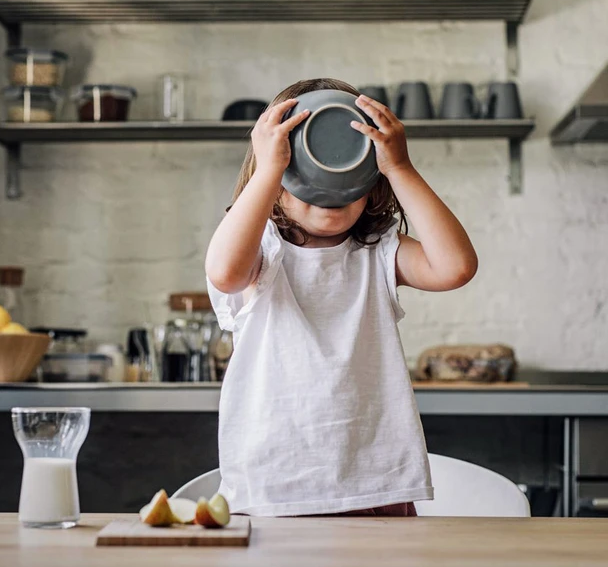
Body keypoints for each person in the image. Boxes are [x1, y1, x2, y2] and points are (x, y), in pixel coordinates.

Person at [204, 78, 479, 517]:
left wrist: (400, 167)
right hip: (276, 488)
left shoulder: (377, 251)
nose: (331, 195)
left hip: (376, 485)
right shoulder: (263, 251)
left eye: (349, 178)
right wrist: (269, 165)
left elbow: (456, 267)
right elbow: (225, 273)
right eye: (306, 176)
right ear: (276, 182)